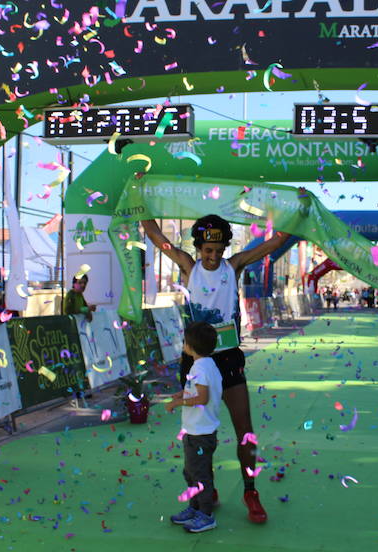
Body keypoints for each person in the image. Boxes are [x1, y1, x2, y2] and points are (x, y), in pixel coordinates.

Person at [142, 214, 292, 524]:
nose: (213, 256)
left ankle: (250, 491)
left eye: (218, 249)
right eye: (207, 250)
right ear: (198, 248)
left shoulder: (234, 265)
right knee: (199, 434)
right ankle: (205, 493)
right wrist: (140, 200)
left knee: (245, 432)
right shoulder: (187, 265)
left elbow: (277, 241)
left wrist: (297, 210)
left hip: (228, 360)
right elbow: (156, 235)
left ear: (225, 248)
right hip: (195, 361)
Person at [165, 321, 223, 533]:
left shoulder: (200, 366)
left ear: (190, 346)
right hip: (197, 431)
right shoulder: (207, 365)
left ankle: (205, 514)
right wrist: (182, 394)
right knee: (192, 472)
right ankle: (195, 507)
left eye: (185, 341)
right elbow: (198, 390)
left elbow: (203, 397)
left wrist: (178, 402)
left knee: (200, 475)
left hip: (200, 433)